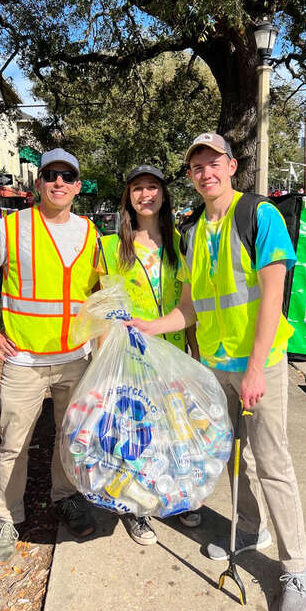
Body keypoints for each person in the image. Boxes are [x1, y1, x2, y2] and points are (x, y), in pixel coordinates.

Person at [131, 133, 306, 611]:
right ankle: (249, 531)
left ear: (232, 166)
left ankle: (295, 570)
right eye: (197, 167)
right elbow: (189, 307)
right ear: (190, 176)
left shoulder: (260, 216)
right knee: (232, 459)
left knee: (273, 464)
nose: (206, 173)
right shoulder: (192, 232)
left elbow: (273, 298)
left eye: (214, 163)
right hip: (215, 366)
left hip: (260, 364)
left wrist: (255, 368)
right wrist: (150, 325)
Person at [0, 148, 102, 567]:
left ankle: (67, 498)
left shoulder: (91, 232)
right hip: (24, 360)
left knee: (70, 436)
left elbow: (96, 291)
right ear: (37, 183)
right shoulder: (10, 228)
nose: (59, 183)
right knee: (13, 444)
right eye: (51, 175)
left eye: (68, 176)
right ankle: (8, 519)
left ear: (77, 186)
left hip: (75, 358)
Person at [99, 164, 200, 544]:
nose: (146, 195)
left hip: (172, 356)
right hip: (128, 360)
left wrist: (194, 352)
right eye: (138, 188)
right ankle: (136, 508)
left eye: (153, 187)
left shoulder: (181, 244)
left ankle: (175, 499)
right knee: (135, 433)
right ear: (128, 197)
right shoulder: (109, 247)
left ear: (164, 195)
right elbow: (97, 304)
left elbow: (189, 305)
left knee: (174, 432)